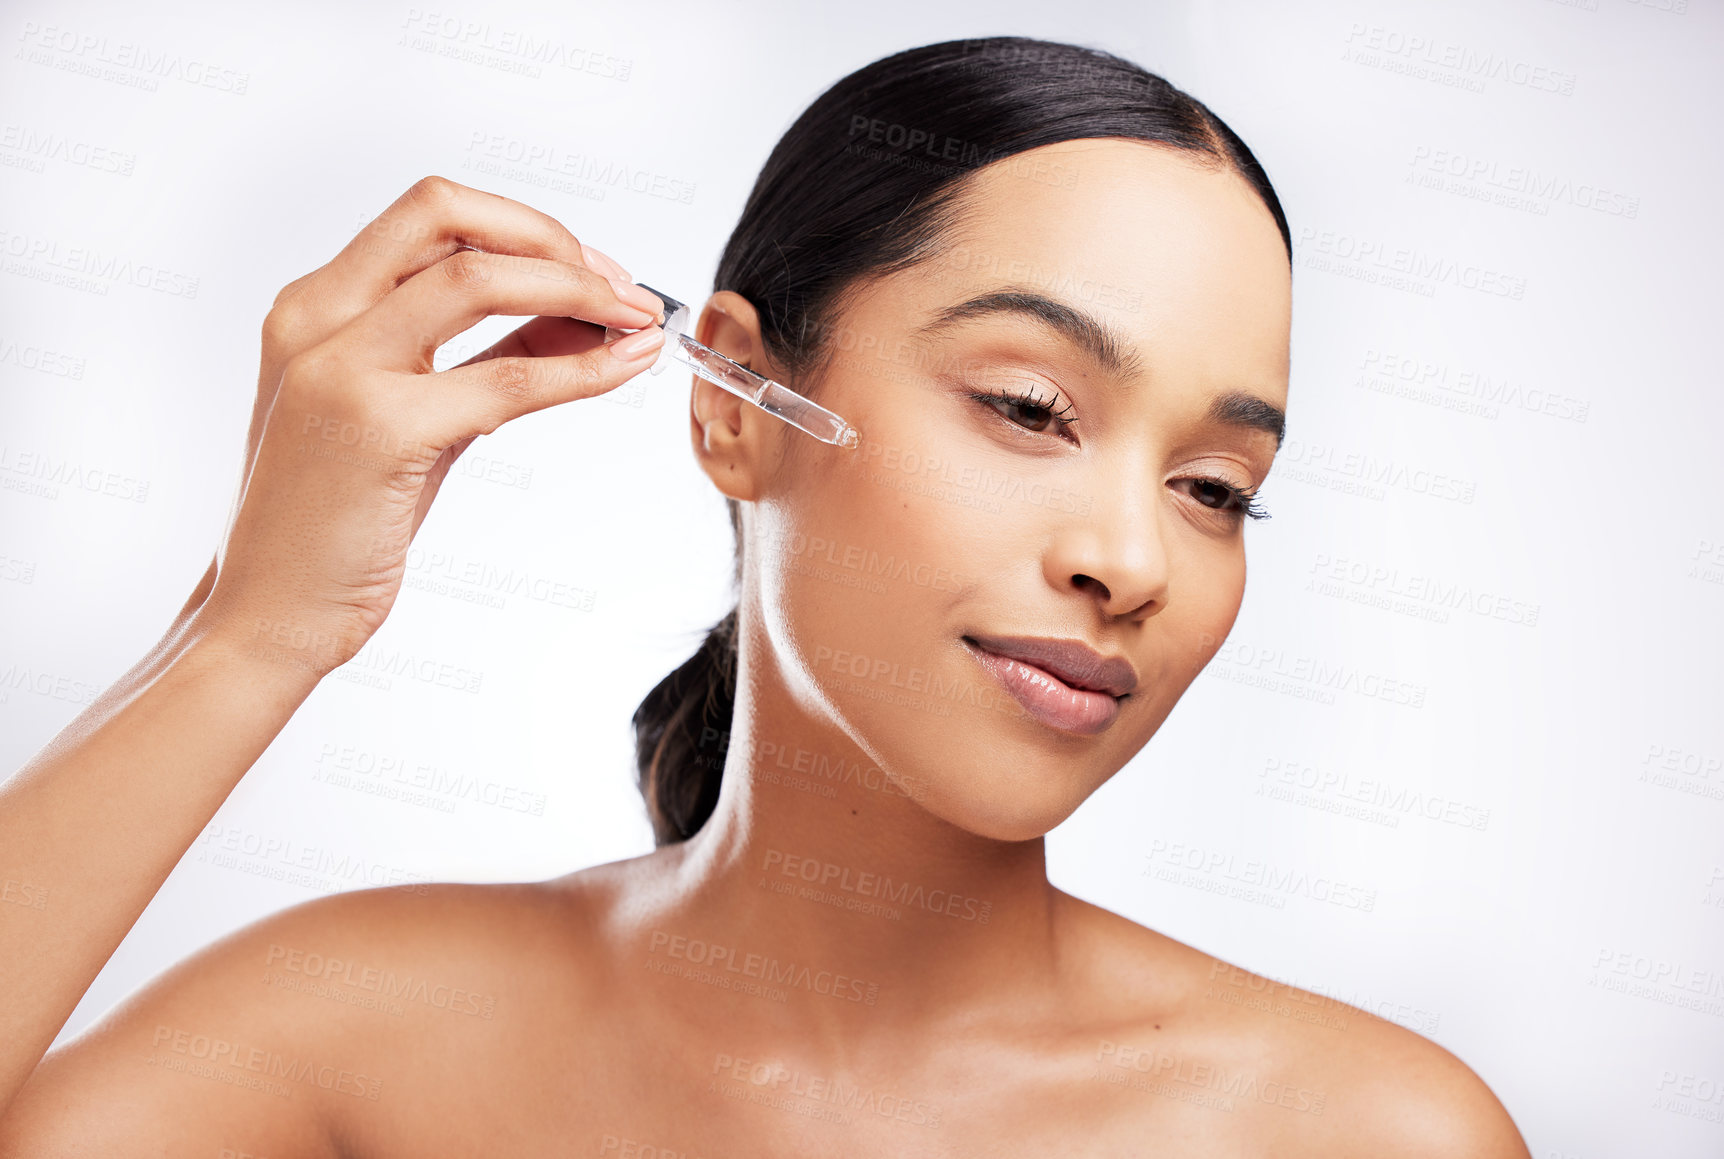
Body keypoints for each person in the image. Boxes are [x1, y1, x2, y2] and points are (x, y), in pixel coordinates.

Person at [0, 36, 1530, 1155]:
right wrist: (249, 634)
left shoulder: (1361, 1131)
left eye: (1214, 490)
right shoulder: (347, 1039)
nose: (1132, 562)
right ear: (734, 398)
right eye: (1025, 404)